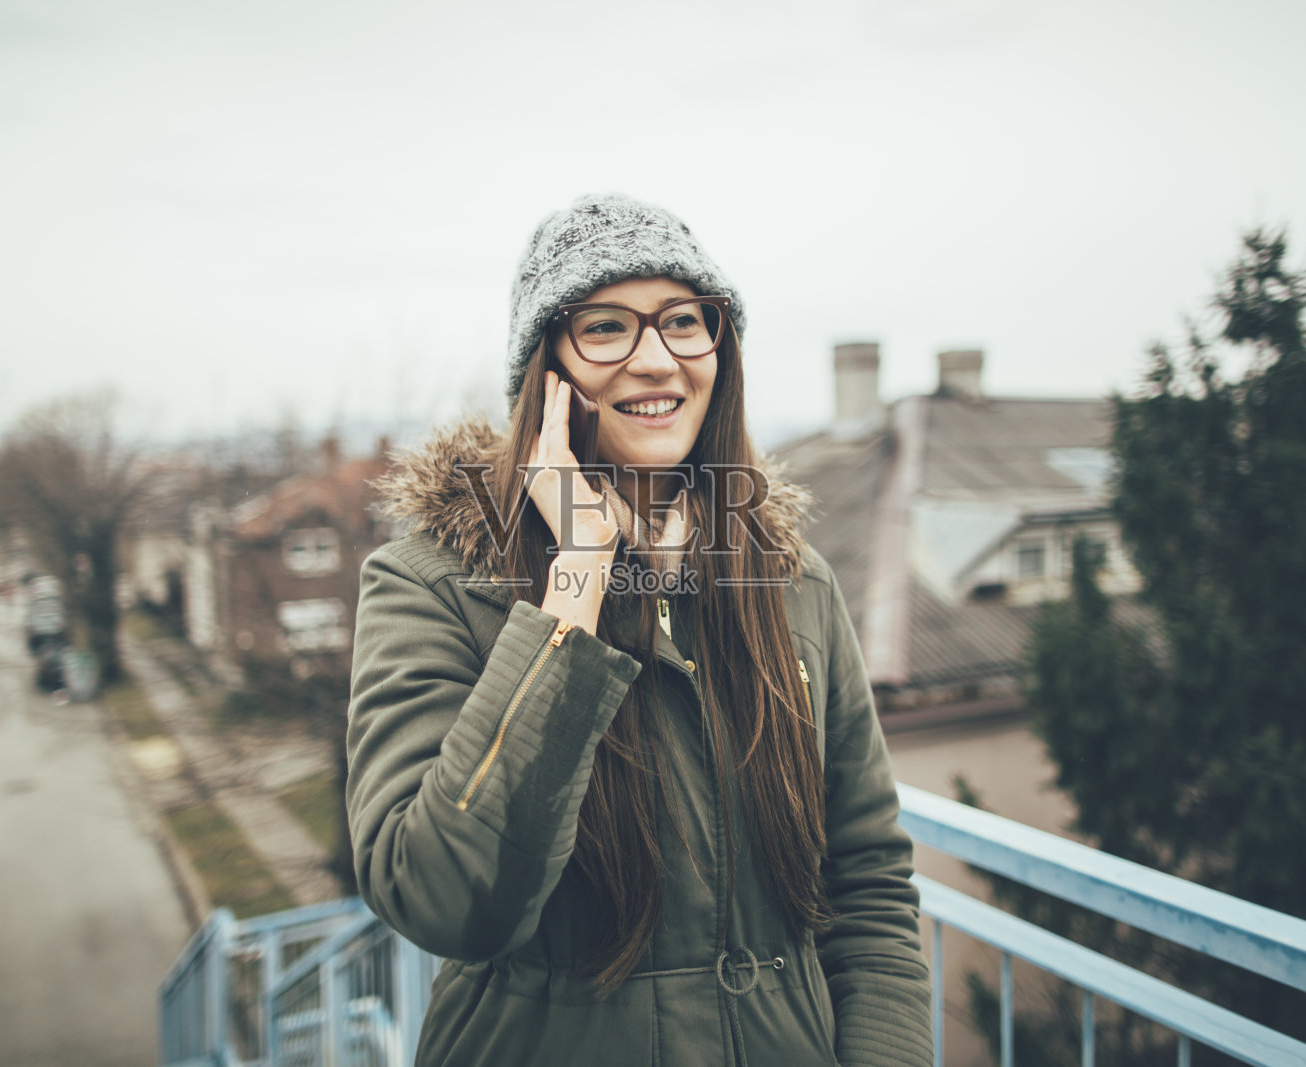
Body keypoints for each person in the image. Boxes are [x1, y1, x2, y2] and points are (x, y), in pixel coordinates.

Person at [347, 194, 933, 1066]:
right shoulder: (433, 584)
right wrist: (575, 582)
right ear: (546, 369)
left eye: (683, 322)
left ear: (718, 349)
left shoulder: (791, 585)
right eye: (608, 328)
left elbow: (870, 886)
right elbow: (442, 898)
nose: (656, 360)